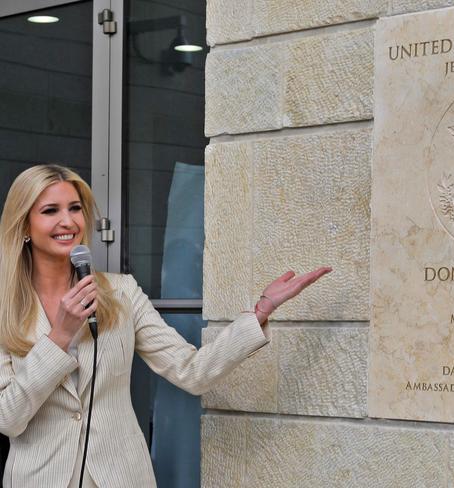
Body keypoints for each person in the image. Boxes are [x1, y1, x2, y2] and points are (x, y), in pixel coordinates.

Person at [0, 164, 331, 487]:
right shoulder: (4, 310)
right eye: (50, 211)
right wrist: (59, 336)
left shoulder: (121, 293)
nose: (67, 221)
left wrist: (262, 309)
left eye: (75, 208)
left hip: (121, 476)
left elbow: (192, 370)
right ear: (25, 225)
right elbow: (8, 417)